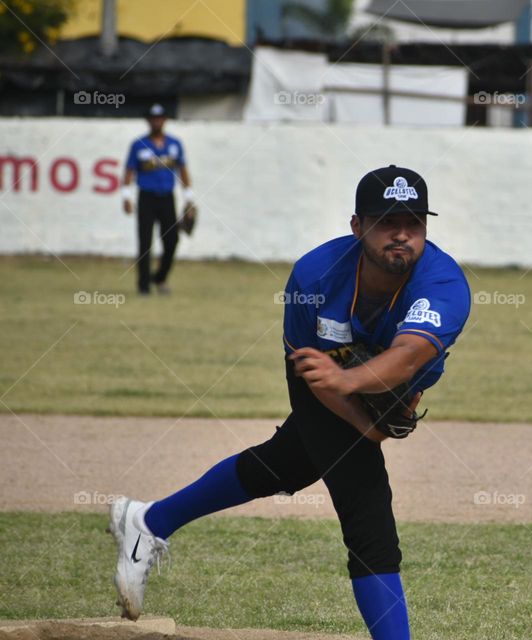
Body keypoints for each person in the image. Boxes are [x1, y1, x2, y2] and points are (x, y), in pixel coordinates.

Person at [107, 165, 471, 640]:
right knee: (367, 508)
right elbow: (312, 374)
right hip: (319, 375)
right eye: (387, 222)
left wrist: (365, 399)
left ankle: (147, 520)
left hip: (370, 377)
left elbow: (408, 357)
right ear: (358, 226)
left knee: (287, 465)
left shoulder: (444, 283)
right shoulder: (315, 275)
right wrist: (363, 419)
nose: (402, 234)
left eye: (414, 222)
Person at [122, 103, 194, 295]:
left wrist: (189, 198)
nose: (156, 122)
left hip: (167, 198)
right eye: (153, 119)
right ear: (148, 121)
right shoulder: (138, 145)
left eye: (159, 118)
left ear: (164, 120)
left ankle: (160, 277)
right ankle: (143, 285)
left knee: (171, 240)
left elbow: (183, 170)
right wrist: (126, 196)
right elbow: (129, 171)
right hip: (146, 197)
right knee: (145, 242)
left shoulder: (174, 144)